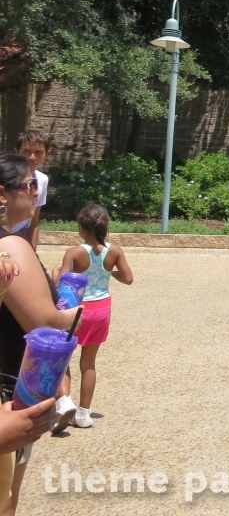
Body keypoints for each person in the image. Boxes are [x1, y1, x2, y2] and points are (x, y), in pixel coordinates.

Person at [0, 152, 80, 515]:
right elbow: (43, 325)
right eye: (29, 184)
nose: (36, 192)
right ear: (2, 195)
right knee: (6, 496)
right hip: (9, 393)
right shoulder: (10, 246)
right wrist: (76, 314)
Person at [51, 205, 132, 431]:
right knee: (88, 363)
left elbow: (62, 286)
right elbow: (128, 278)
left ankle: (65, 402)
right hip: (102, 309)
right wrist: (109, 272)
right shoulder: (114, 251)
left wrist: (55, 272)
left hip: (77, 309)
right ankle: (84, 414)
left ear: (81, 228)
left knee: (63, 357)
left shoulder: (74, 252)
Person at [9, 132, 50, 251]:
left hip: (22, 234)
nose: (32, 157)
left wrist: (32, 252)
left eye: (38, 152)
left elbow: (34, 221)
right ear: (16, 151)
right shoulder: (6, 178)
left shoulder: (42, 179)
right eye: (26, 151)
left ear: (47, 154)